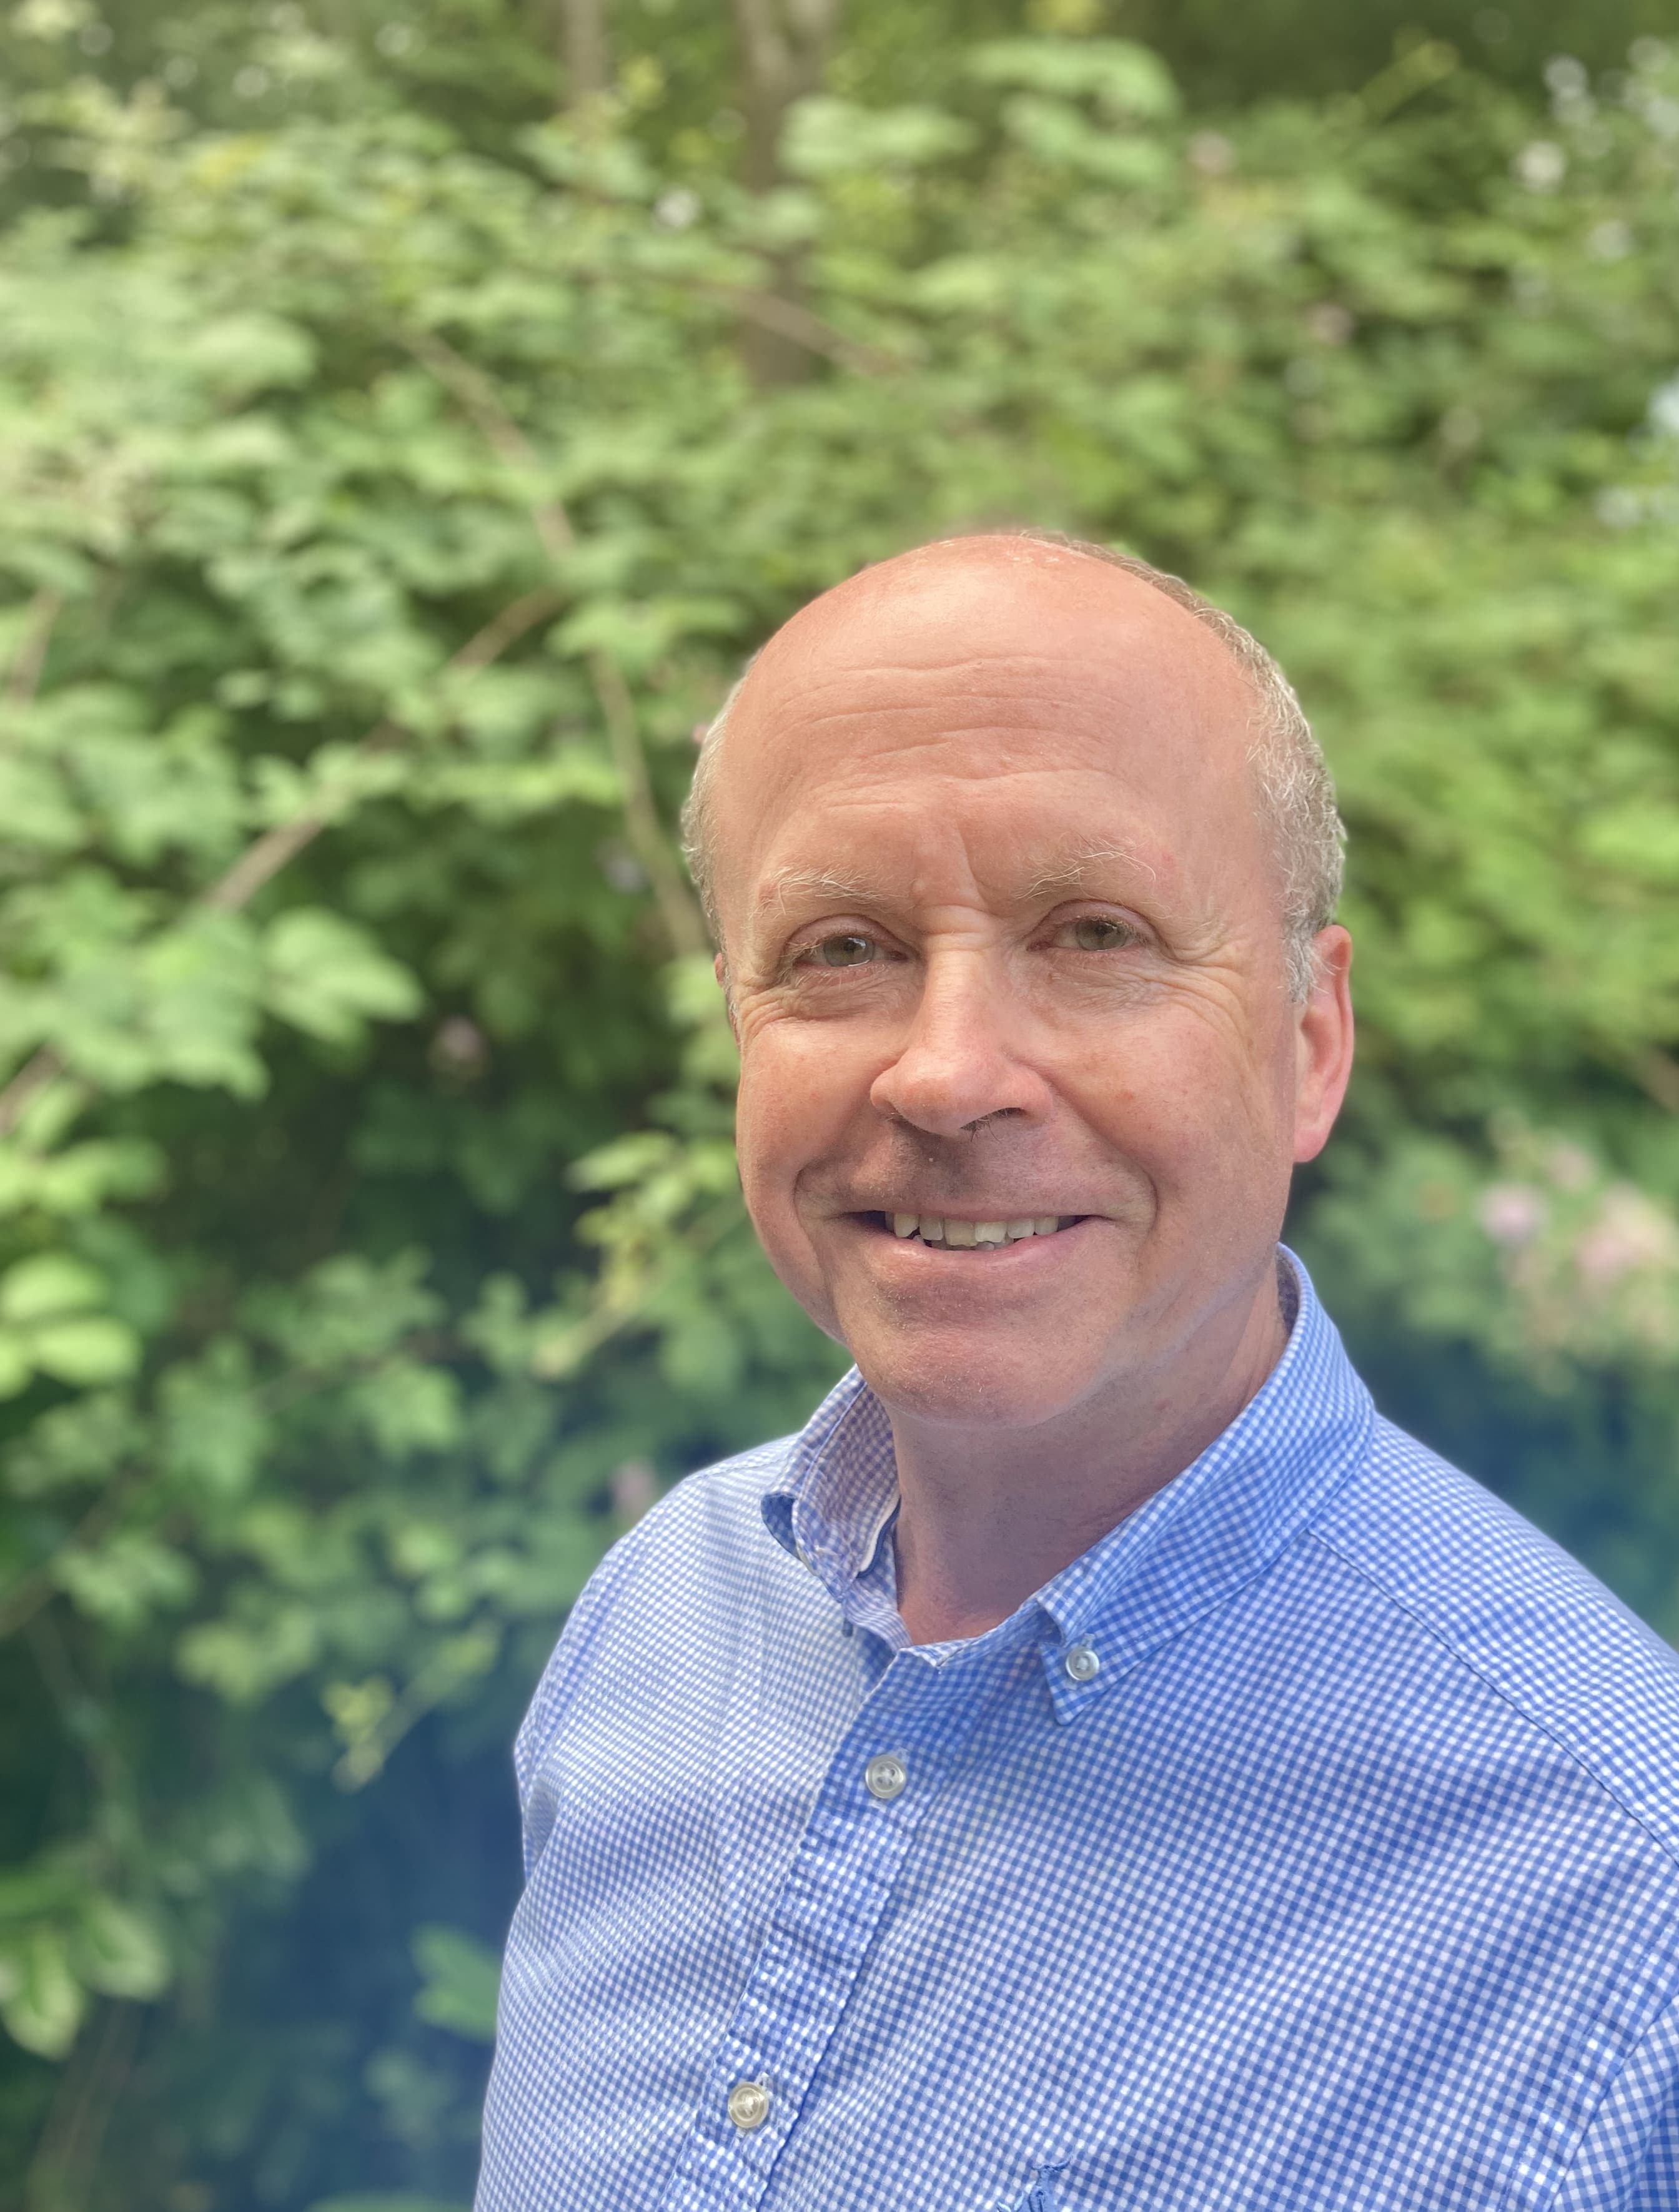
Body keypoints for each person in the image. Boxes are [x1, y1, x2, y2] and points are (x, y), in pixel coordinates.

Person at [475, 535, 1679, 2211]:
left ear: (1308, 1045)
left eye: (1096, 932)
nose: (951, 1072)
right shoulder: (665, 1613)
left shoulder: (1623, 1910)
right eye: (839, 950)